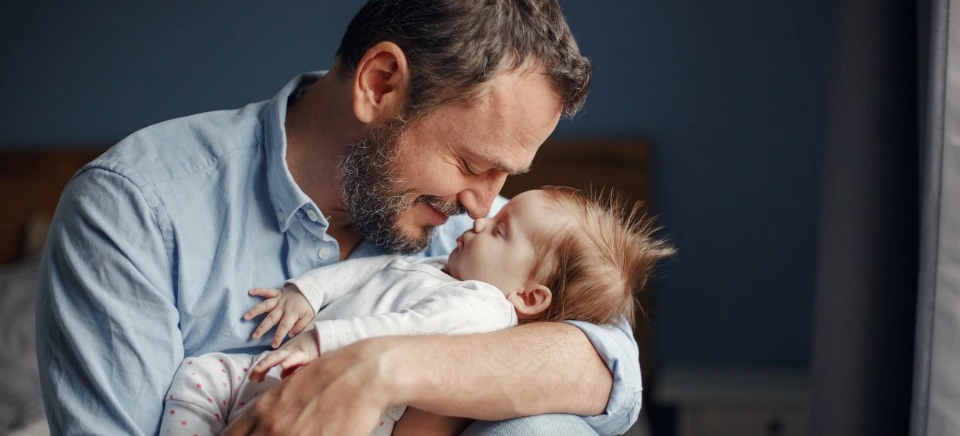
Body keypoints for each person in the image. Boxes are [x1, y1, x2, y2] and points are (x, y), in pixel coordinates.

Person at [36, 0, 642, 436]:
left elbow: (607, 364)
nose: (485, 206)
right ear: (380, 84)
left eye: (505, 177)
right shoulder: (133, 209)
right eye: (470, 164)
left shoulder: (494, 235)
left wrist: (378, 370)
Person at [160, 188, 674, 436]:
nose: (478, 213)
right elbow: (361, 273)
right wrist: (306, 293)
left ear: (530, 297)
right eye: (472, 162)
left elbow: (402, 333)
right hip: (281, 371)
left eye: (498, 228)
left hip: (348, 408)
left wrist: (323, 343)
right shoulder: (440, 263)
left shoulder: (480, 309)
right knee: (199, 375)